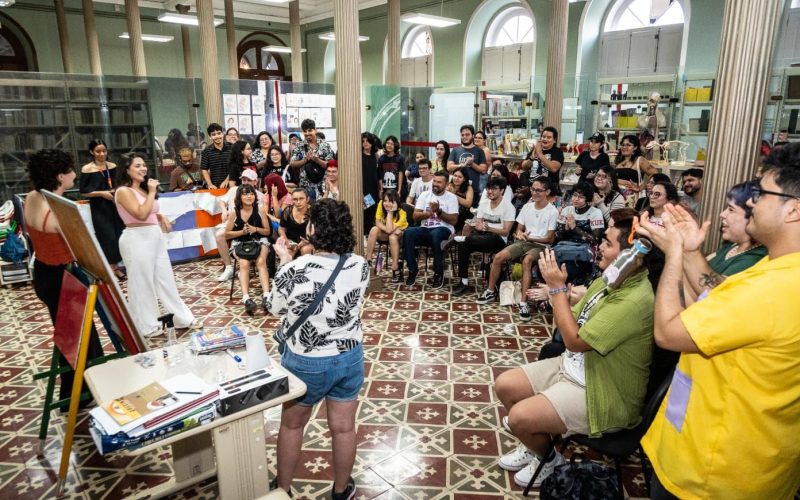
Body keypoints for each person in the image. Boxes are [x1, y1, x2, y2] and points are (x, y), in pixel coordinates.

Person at [637, 143, 800, 499]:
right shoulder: (777, 269)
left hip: (713, 473)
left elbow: (667, 331)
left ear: (794, 210)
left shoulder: (774, 288)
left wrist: (675, 255)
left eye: (762, 193)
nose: (752, 202)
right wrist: (692, 251)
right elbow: (719, 291)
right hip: (750, 462)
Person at [494, 212, 655, 488]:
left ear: (631, 255)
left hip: (601, 388)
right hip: (574, 367)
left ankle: (547, 459)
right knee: (505, 385)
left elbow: (573, 340)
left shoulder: (634, 300)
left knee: (519, 418)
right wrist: (559, 295)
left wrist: (557, 290)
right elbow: (573, 317)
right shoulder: (611, 278)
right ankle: (539, 449)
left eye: (607, 243)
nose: (600, 248)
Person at [268, 199, 369, 500]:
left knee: (291, 426)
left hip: (306, 360)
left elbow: (274, 307)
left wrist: (285, 262)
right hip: (349, 356)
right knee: (343, 428)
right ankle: (340, 491)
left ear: (312, 229)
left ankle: (283, 489)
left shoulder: (297, 268)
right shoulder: (359, 264)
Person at [25, 149, 104, 402]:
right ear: (60, 176)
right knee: (79, 338)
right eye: (70, 170)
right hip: (63, 277)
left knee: (71, 335)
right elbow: (79, 249)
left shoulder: (32, 196)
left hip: (44, 274)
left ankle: (78, 391)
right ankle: (79, 393)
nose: (74, 174)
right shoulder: (60, 210)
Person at [114, 154, 201, 336]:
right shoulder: (123, 191)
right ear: (126, 170)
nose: (143, 169)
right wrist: (152, 191)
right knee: (141, 282)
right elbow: (140, 213)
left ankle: (182, 318)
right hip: (136, 238)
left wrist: (160, 216)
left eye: (144, 165)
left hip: (154, 236)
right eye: (137, 166)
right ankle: (148, 325)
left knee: (165, 279)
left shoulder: (143, 190)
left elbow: (149, 211)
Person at [478, 178, 559, 317]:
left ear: (547, 192)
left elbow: (549, 238)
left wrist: (529, 237)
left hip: (541, 245)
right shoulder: (527, 207)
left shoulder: (553, 211)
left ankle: (523, 303)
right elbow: (517, 230)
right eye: (533, 189)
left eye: (539, 190)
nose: (534, 193)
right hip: (523, 242)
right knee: (498, 257)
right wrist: (520, 234)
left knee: (527, 261)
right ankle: (490, 291)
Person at [452, 177, 515, 297]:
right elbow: (479, 223)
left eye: (494, 189)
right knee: (462, 245)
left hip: (498, 240)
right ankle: (464, 281)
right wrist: (476, 226)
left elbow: (506, 232)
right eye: (488, 189)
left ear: (502, 191)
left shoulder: (508, 207)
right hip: (481, 237)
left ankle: (465, 238)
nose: (490, 192)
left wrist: (488, 228)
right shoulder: (484, 204)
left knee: (487, 238)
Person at [403, 170, 459, 289]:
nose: (435, 184)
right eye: (434, 181)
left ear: (446, 184)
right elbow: (415, 215)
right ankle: (413, 270)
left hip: (444, 230)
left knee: (436, 234)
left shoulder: (451, 198)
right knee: (408, 233)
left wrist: (439, 211)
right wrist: (427, 214)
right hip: (426, 229)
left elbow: (454, 220)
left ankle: (438, 273)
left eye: (439, 182)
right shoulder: (425, 195)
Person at [79, 139, 126, 279]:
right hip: (99, 206)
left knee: (119, 234)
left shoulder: (112, 166)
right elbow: (83, 191)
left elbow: (120, 183)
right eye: (98, 151)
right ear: (91, 152)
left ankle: (116, 266)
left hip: (114, 203)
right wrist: (100, 193)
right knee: (107, 237)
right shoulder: (87, 169)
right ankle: (110, 268)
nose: (101, 154)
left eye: (104, 151)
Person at [225, 184, 271, 315]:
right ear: (239, 196)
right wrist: (242, 232)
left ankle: (266, 296)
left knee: (261, 261)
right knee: (244, 263)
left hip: (259, 240)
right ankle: (246, 299)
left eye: (251, 193)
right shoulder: (234, 212)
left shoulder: (260, 210)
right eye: (245, 194)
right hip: (240, 242)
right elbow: (226, 234)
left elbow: (267, 232)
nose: (249, 196)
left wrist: (255, 229)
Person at [214, 169, 267, 282]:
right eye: (243, 179)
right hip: (232, 222)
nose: (245, 182)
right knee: (219, 235)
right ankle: (229, 267)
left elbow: (262, 214)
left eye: (249, 180)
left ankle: (245, 266)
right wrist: (224, 211)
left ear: (255, 182)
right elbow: (222, 201)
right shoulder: (233, 190)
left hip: (250, 225)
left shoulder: (260, 196)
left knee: (255, 238)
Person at [365, 189, 408, 283]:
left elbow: (390, 231)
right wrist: (388, 229)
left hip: (400, 236)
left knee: (392, 236)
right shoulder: (380, 204)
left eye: (390, 201)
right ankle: (368, 261)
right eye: (385, 200)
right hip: (387, 231)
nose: (386, 203)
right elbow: (378, 223)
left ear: (396, 202)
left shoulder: (402, 214)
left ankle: (395, 267)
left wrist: (390, 213)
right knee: (374, 230)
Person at [289, 119, 335, 200]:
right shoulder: (299, 146)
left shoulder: (325, 145)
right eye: (305, 131)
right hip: (305, 187)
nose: (307, 133)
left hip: (323, 187)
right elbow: (293, 164)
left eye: (310, 130)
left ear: (315, 130)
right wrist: (305, 160)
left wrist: (317, 160)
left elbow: (330, 165)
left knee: (323, 210)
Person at [447, 125, 487, 208]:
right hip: (456, 190)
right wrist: (462, 165)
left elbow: (483, 170)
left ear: (472, 135)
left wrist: (472, 163)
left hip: (474, 189)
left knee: (470, 217)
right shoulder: (455, 150)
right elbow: (449, 167)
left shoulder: (479, 151)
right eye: (462, 135)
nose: (464, 137)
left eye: (467, 134)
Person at [615, 134, 658, 203]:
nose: (624, 147)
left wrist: (641, 187)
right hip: (617, 197)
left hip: (631, 199)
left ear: (635, 147)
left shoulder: (640, 160)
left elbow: (656, 174)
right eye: (623, 145)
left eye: (628, 145)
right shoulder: (619, 162)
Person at [521, 126, 564, 196]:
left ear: (554, 140)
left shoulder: (558, 152)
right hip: (533, 189)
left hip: (548, 191)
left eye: (549, 137)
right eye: (543, 137)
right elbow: (524, 167)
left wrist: (540, 154)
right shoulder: (535, 149)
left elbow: (553, 168)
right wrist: (532, 158)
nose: (545, 139)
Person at [279, 188, 314, 258]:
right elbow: (281, 229)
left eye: (301, 199)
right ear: (292, 200)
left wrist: (309, 240)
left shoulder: (313, 211)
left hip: (309, 241)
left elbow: (318, 231)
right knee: (287, 253)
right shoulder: (287, 211)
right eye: (295, 199)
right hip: (292, 241)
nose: (298, 202)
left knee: (306, 250)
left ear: (307, 199)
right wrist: (286, 241)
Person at [201, 123, 232, 189]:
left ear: (223, 134)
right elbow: (204, 169)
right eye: (213, 134)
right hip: (215, 186)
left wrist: (227, 180)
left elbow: (235, 165)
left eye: (219, 133)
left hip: (232, 184)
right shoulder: (206, 151)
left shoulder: (232, 147)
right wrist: (209, 184)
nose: (217, 136)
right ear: (210, 137)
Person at [362, 132, 381, 236]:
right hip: (364, 190)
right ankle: (364, 236)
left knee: (372, 213)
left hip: (374, 189)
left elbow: (377, 175)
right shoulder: (359, 156)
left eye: (367, 141)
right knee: (365, 213)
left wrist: (380, 189)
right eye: (363, 141)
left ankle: (370, 237)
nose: (365, 143)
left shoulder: (375, 156)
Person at [446, 167, 474, 233]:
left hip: (463, 214)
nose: (456, 178)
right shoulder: (448, 185)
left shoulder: (468, 188)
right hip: (449, 211)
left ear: (464, 179)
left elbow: (468, 204)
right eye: (455, 176)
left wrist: (453, 194)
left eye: (459, 177)